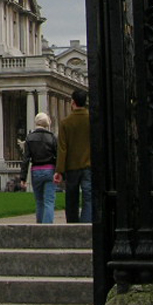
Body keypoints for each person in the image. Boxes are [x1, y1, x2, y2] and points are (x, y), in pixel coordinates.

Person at [55, 89, 92, 223]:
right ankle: (86, 223)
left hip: (72, 167)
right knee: (88, 197)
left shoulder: (66, 122)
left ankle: (73, 224)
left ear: (73, 102)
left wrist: (59, 170)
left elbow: (62, 148)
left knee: (72, 198)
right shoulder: (91, 119)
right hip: (88, 164)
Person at [20, 112, 58, 224]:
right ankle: (47, 227)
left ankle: (40, 226)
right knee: (49, 201)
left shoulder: (30, 138)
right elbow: (58, 155)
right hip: (50, 169)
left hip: (36, 170)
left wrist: (23, 178)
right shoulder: (52, 137)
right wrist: (59, 172)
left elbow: (26, 159)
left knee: (39, 201)